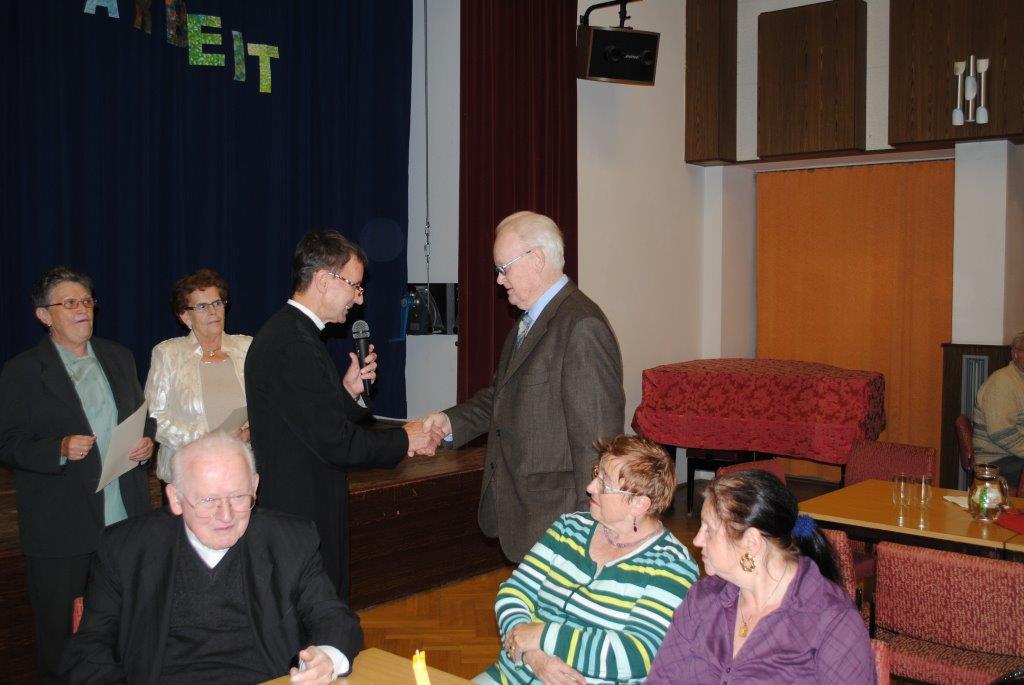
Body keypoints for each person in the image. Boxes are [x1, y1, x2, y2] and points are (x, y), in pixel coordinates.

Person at [61, 432, 361, 683]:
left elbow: (333, 616)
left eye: (238, 497)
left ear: (254, 486)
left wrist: (328, 657)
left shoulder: (290, 541)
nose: (226, 516)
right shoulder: (125, 549)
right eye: (208, 500)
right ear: (176, 499)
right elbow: (90, 649)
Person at [245, 229, 443, 598]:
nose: (359, 298)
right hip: (299, 513)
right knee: (313, 614)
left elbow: (310, 419)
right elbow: (336, 443)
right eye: (355, 286)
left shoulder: (294, 335)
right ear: (323, 281)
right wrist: (405, 438)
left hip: (304, 505)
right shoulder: (292, 343)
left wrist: (347, 392)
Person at [423, 211, 625, 562]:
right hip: (528, 514)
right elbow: (502, 397)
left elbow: (597, 442)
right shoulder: (530, 321)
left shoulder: (581, 326)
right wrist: (450, 422)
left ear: (537, 259)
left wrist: (588, 530)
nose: (499, 280)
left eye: (504, 268)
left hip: (560, 519)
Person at [0, 266, 154, 683]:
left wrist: (146, 442)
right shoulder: (23, 371)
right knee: (62, 639)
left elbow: (142, 418)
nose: (82, 309)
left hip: (124, 518)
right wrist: (58, 448)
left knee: (129, 626)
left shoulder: (118, 356)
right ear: (43, 315)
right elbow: (8, 442)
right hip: (61, 528)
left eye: (86, 300)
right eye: (69, 303)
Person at [477, 435, 698, 685]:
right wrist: (534, 657)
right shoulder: (569, 527)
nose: (591, 487)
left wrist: (544, 635)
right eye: (596, 474)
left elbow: (637, 654)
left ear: (639, 504)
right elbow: (515, 591)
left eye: (605, 483)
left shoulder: (672, 566)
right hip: (515, 670)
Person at [646, 470, 875, 684]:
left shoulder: (832, 621)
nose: (697, 540)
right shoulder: (703, 598)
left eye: (709, 530)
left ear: (752, 542)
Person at [145, 268, 252, 482]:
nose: (213, 312)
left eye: (217, 303)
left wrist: (251, 432)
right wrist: (206, 439)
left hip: (240, 469)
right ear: (185, 316)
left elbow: (268, 404)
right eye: (202, 306)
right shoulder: (168, 354)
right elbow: (154, 417)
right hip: (188, 474)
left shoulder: (247, 347)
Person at [973, 331, 1024, 489]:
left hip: (1013, 456)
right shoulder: (1002, 382)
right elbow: (1001, 433)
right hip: (998, 460)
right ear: (1015, 353)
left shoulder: (1019, 379)